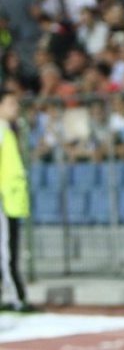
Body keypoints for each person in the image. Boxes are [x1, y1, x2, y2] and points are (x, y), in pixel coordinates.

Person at [0, 89, 34, 312]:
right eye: (11, 104)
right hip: (4, 200)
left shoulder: (7, 131)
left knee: (6, 251)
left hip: (9, 200)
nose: (16, 108)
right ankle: (17, 298)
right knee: (7, 252)